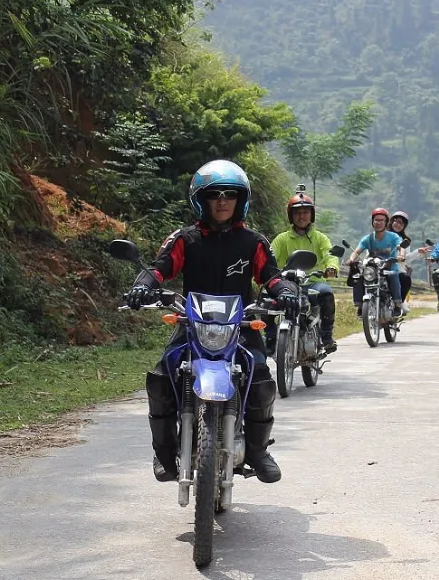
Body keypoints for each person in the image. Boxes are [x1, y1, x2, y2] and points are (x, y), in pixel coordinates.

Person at [123, 160, 298, 485]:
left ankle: (258, 451)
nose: (222, 201)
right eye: (214, 194)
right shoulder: (184, 239)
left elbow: (270, 277)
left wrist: (286, 291)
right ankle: (163, 450)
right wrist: (143, 286)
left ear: (239, 199)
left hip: (241, 326)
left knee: (260, 377)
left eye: (229, 194)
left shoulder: (253, 242)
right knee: (162, 378)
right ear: (200, 199)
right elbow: (160, 268)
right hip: (192, 325)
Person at [270, 188, 339, 353]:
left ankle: (326, 336)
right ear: (291, 216)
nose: (302, 216)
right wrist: (270, 271)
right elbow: (270, 256)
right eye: (297, 212)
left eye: (306, 212)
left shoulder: (320, 238)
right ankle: (271, 339)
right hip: (287, 284)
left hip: (313, 282)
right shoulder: (282, 239)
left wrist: (331, 267)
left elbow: (330, 255)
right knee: (268, 300)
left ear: (312, 215)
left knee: (327, 294)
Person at [346, 208, 409, 316]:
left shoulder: (393, 237)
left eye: (381, 220)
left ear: (386, 222)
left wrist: (401, 255)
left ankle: (397, 305)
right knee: (358, 277)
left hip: (389, 268)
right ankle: (361, 306)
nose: (378, 223)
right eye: (376, 220)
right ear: (372, 222)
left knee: (394, 276)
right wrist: (351, 259)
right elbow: (357, 251)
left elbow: (400, 246)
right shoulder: (368, 238)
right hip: (373, 269)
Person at [388, 210, 414, 303]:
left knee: (406, 279)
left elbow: (406, 258)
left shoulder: (405, 241)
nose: (398, 225)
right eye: (396, 221)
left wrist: (418, 252)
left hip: (397, 268)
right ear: (391, 221)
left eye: (401, 223)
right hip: (380, 266)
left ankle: (398, 304)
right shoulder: (381, 235)